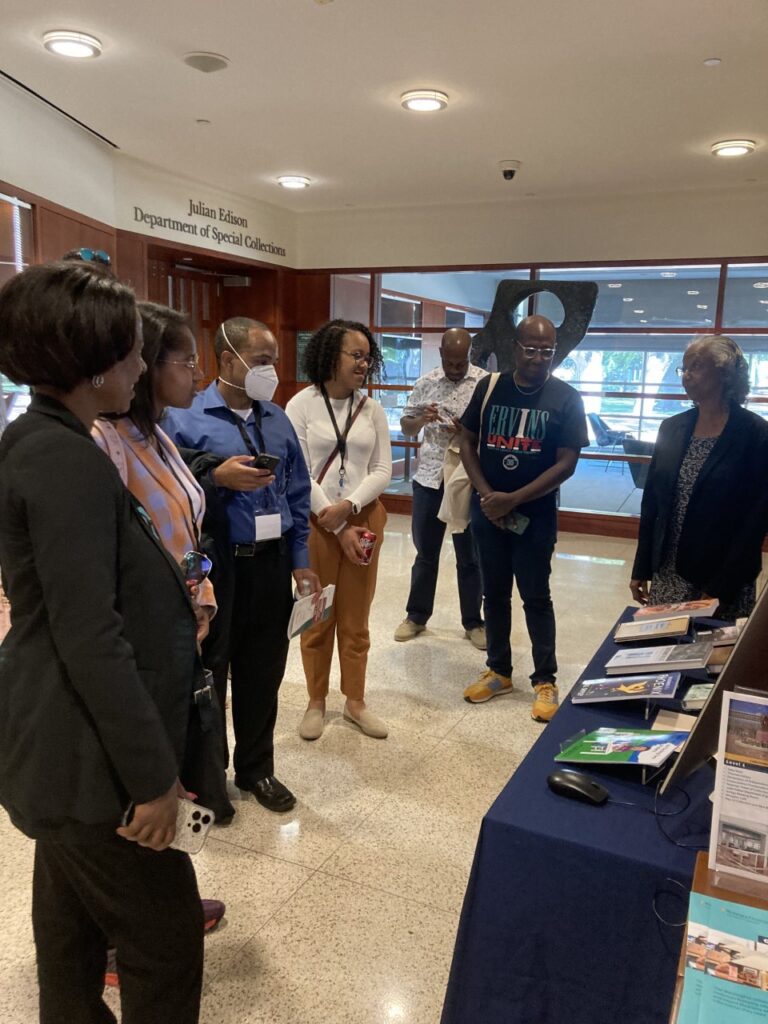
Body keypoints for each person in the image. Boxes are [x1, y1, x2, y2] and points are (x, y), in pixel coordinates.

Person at [0, 262, 205, 1023]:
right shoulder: (63, 458)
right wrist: (153, 779)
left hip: (60, 749)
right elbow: (89, 635)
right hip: (83, 756)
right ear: (92, 363)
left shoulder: (46, 437)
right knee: (165, 935)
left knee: (70, 930)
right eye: (132, 352)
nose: (142, 368)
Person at [164, 317, 319, 813]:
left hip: (270, 566)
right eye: (261, 361)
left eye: (273, 360)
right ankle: (210, 781)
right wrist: (218, 478)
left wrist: (301, 561)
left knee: (263, 671)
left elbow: (295, 492)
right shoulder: (183, 418)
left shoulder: (276, 419)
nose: (270, 370)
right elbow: (169, 490)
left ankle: (258, 770)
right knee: (211, 673)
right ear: (226, 359)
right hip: (215, 567)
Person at [92, 301, 234, 823]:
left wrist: (201, 594)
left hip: (181, 628)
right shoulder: (104, 441)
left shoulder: (156, 435)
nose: (198, 374)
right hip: (142, 639)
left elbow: (188, 530)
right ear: (148, 364)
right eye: (187, 361)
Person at [458, 314, 588, 721]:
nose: (537, 358)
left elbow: (566, 463)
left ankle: (544, 680)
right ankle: (499, 670)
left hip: (535, 518)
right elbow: (466, 440)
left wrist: (512, 498)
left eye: (546, 351)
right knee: (493, 594)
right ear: (515, 348)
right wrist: (487, 495)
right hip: (488, 514)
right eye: (530, 349)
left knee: (536, 597)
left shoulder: (566, 397)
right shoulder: (489, 387)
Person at [286, 319, 392, 741]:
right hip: (316, 523)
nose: (364, 363)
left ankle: (355, 702)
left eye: (368, 356)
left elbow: (382, 469)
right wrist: (332, 515)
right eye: (356, 354)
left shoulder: (373, 409)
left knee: (355, 617)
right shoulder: (301, 405)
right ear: (330, 356)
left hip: (363, 521)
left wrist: (349, 508)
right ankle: (315, 701)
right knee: (317, 614)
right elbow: (298, 470)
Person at [630, 335, 768, 619]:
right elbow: (652, 505)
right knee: (661, 654)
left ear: (725, 372)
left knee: (711, 658)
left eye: (696, 366)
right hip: (669, 571)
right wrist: (641, 567)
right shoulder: (671, 428)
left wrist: (721, 586)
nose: (686, 376)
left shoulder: (755, 434)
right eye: (684, 368)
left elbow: (754, 522)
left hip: (723, 576)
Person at [394, 328, 487, 647]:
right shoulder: (426, 383)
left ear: (470, 355)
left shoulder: (484, 384)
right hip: (430, 478)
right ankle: (416, 616)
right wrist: (421, 419)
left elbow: (491, 432)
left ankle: (474, 622)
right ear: (441, 355)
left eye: (462, 363)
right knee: (425, 553)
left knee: (469, 556)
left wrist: (466, 431)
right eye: (451, 363)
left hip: (465, 477)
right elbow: (406, 428)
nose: (457, 369)